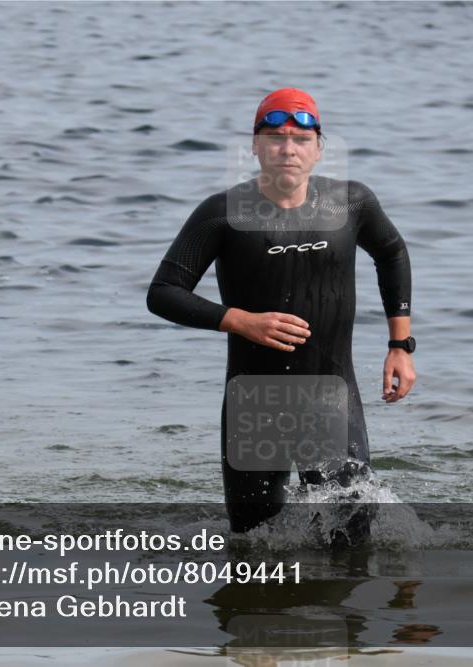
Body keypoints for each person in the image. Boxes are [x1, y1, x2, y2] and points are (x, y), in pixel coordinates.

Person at [147, 88, 416, 533]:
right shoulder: (222, 213)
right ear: (255, 145)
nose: (287, 149)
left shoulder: (352, 203)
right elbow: (163, 292)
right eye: (274, 137)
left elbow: (392, 252)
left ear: (318, 148)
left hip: (331, 395)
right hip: (253, 403)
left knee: (353, 531)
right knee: (255, 544)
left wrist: (399, 344)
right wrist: (239, 320)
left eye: (300, 139)